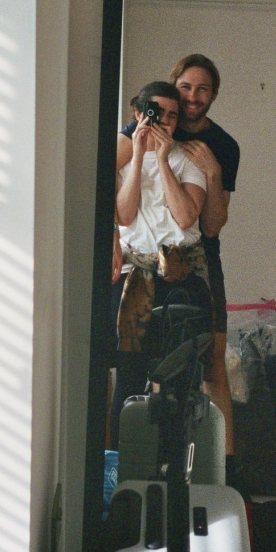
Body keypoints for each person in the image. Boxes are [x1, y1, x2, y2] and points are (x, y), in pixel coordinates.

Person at [116, 55, 240, 455]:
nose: (191, 97)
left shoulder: (216, 147)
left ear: (213, 96)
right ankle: (123, 459)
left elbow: (207, 224)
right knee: (131, 364)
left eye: (202, 89)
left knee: (210, 361)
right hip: (137, 257)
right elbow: (109, 196)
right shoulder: (135, 132)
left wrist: (213, 172)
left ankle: (224, 463)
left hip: (195, 254)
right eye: (185, 87)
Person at [111, 81, 213, 443]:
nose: (165, 121)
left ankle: (178, 459)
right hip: (134, 278)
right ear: (139, 113)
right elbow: (124, 216)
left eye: (173, 115)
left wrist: (165, 160)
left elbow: (186, 217)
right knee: (128, 374)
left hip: (181, 274)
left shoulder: (189, 159)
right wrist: (140, 156)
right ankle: (122, 463)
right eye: (157, 113)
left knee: (183, 379)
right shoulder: (124, 161)